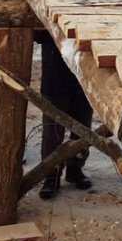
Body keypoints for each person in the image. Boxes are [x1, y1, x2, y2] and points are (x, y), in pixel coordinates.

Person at [36, 31, 94, 199]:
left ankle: (75, 170)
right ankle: (51, 177)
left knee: (82, 130)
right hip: (55, 80)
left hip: (83, 79)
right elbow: (37, 35)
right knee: (52, 134)